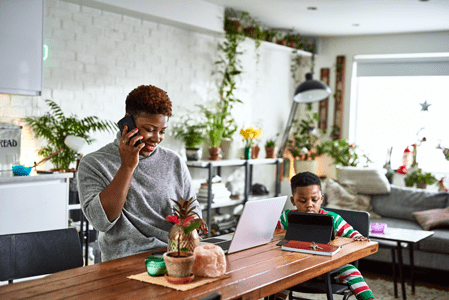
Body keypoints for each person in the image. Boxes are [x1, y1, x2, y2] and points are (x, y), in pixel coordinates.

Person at [77, 85, 202, 262]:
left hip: (174, 255)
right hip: (124, 262)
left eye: (162, 131)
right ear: (128, 124)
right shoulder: (94, 163)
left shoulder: (173, 161)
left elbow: (194, 210)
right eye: (150, 129)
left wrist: (190, 231)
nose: (157, 138)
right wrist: (127, 167)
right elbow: (101, 222)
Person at [274, 172, 374, 300]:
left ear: (321, 199)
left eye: (314, 200)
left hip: (328, 270)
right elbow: (271, 234)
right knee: (278, 275)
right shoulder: (286, 217)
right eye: (303, 201)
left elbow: (353, 235)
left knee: (352, 271)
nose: (309, 204)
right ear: (293, 201)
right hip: (294, 269)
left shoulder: (333, 219)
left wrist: (358, 238)